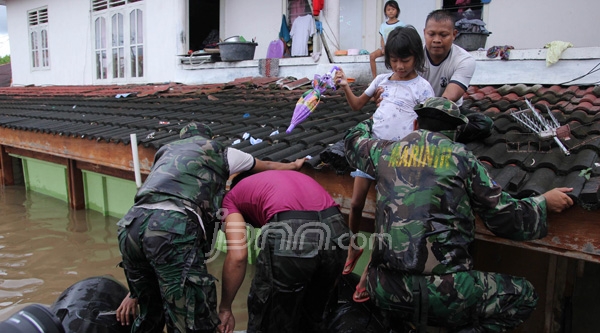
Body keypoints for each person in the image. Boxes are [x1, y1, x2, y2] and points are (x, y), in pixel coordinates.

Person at [343, 97, 574, 332]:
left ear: (415, 124)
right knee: (524, 297)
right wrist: (543, 202)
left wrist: (372, 119)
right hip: (447, 294)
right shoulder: (462, 157)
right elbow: (505, 217)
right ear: (454, 133)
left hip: (385, 288)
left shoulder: (384, 152)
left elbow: (352, 141)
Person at [116, 122, 305, 333]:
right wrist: (294, 166)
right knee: (192, 320)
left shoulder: (165, 151)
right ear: (209, 137)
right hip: (172, 226)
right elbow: (267, 166)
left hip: (130, 225)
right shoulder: (220, 151)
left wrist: (135, 291)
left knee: (149, 314)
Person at [335, 25, 434, 302]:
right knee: (355, 205)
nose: (399, 66)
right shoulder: (381, 81)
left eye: (405, 60)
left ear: (416, 57)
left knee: (384, 219)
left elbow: (427, 126)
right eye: (394, 60)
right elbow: (357, 106)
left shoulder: (422, 87)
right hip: (370, 151)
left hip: (399, 160)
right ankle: (354, 246)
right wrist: (345, 87)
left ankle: (369, 271)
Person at [217, 170, 349, 333]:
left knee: (268, 317)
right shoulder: (281, 178)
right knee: (315, 315)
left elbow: (238, 256)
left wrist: (225, 308)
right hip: (337, 228)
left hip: (291, 230)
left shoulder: (231, 198)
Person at [370, 1, 405, 78]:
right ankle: (374, 78)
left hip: (395, 47)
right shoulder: (383, 25)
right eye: (388, 10)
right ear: (385, 12)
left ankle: (396, 77)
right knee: (372, 56)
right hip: (385, 47)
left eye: (393, 9)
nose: (391, 11)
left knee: (394, 60)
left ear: (397, 11)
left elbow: (403, 38)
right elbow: (382, 38)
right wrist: (383, 48)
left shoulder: (401, 24)